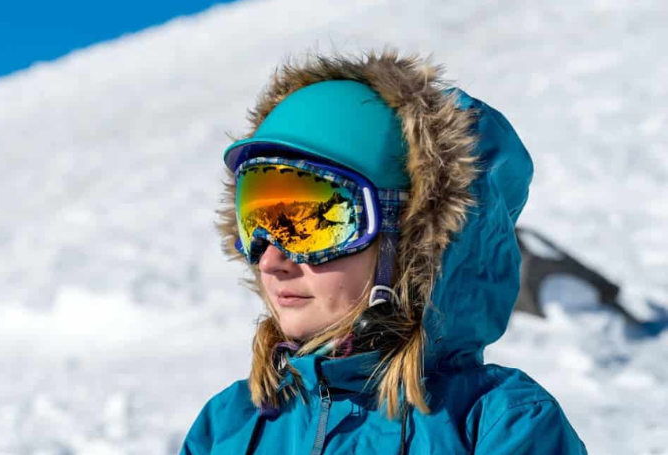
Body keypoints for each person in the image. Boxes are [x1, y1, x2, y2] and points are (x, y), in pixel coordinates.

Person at [180, 50, 587, 454]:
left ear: (412, 241)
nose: (270, 260)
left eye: (313, 224)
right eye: (256, 222)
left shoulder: (499, 425)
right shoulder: (228, 426)